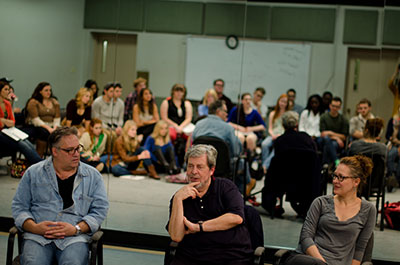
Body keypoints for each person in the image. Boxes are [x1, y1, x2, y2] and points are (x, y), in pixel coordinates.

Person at [11, 127, 109, 265]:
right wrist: (34, 227)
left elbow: (99, 211)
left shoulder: (93, 176)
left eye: (78, 148)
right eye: (70, 150)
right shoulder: (33, 173)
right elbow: (19, 207)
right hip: (38, 237)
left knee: (73, 262)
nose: (76, 154)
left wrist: (76, 229)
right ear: (55, 151)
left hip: (75, 238)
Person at [167, 144, 253, 265]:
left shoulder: (225, 187)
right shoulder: (180, 196)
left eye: (200, 167)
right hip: (191, 257)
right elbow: (176, 236)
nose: (193, 172)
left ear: (211, 170)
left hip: (230, 256)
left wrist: (198, 227)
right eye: (190, 166)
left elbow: (236, 217)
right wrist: (177, 200)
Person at [283, 155, 376, 265]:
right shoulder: (321, 202)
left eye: (341, 177)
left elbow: (360, 249)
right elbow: (306, 237)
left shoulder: (368, 209)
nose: (335, 181)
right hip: (308, 260)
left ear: (356, 182)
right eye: (334, 176)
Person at [0, 81, 42, 165]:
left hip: (9, 130)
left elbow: (13, 122)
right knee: (21, 144)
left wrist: (2, 120)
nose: (8, 92)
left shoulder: (7, 104)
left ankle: (39, 164)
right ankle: (39, 165)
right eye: (6, 89)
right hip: (1, 132)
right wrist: (4, 122)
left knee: (26, 141)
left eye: (9, 89)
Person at [26, 82, 61, 157]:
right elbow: (36, 120)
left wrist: (55, 128)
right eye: (46, 90)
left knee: (61, 133)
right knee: (44, 132)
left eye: (50, 90)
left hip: (52, 126)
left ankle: (57, 158)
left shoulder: (54, 101)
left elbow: (57, 118)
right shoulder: (33, 102)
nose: (49, 92)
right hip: (38, 126)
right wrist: (49, 129)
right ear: (40, 91)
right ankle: (39, 157)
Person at [261, 94, 289, 170]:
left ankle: (264, 167)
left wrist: (279, 135)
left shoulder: (288, 115)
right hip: (273, 135)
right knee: (264, 144)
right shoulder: (272, 113)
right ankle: (264, 166)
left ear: (287, 104)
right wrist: (273, 135)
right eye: (281, 101)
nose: (283, 104)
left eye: (285, 102)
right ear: (278, 101)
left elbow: (288, 129)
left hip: (283, 136)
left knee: (277, 146)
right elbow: (270, 128)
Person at [318, 97, 349, 166]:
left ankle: (325, 166)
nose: (334, 108)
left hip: (335, 143)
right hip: (322, 140)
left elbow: (344, 137)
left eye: (337, 107)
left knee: (329, 145)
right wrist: (337, 137)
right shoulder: (324, 116)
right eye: (333, 106)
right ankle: (336, 160)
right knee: (326, 139)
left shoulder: (343, 119)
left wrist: (330, 133)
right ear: (330, 105)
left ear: (340, 108)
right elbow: (323, 134)